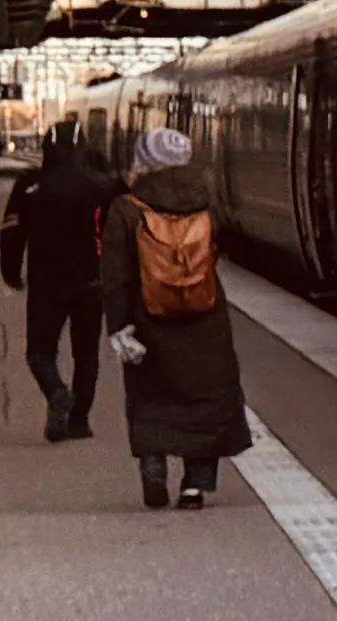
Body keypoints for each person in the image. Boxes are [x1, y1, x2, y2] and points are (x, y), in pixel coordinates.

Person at [104, 121, 254, 511]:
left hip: (149, 318)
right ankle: (195, 486)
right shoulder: (208, 204)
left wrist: (119, 327)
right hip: (205, 318)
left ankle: (154, 466)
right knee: (208, 398)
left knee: (150, 396)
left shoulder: (127, 208)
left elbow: (117, 274)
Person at [0, 126, 114, 441]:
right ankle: (79, 422)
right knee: (86, 353)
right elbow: (116, 233)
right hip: (92, 280)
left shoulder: (30, 185)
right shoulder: (101, 187)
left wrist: (10, 271)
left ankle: (56, 390)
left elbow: (11, 231)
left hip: (47, 282)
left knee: (39, 350)